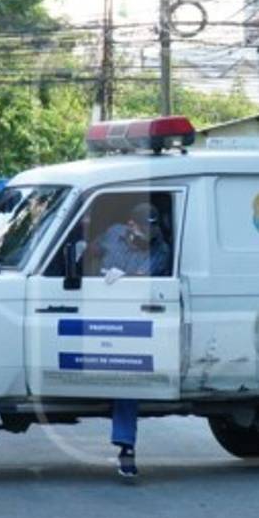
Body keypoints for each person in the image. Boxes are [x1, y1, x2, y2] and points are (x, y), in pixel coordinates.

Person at [94, 202, 171, 477]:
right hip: (96, 310)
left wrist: (121, 277)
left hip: (134, 318)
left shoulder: (160, 249)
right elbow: (90, 252)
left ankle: (126, 447)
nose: (149, 234)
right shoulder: (113, 234)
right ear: (130, 225)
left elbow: (143, 280)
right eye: (144, 229)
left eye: (153, 228)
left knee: (127, 375)